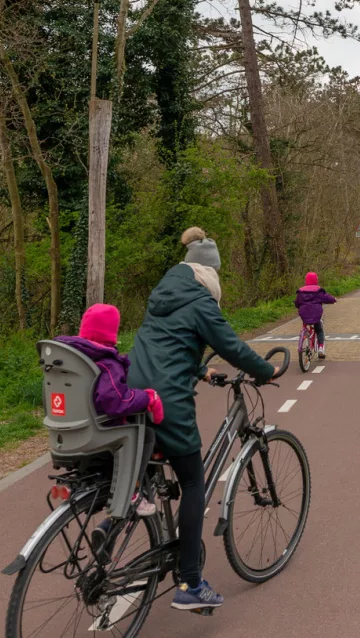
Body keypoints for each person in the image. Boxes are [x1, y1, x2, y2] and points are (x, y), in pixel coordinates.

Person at [127, 227, 276, 614]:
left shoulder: (162, 294)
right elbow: (231, 346)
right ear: (210, 274)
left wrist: (198, 370)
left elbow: (165, 345)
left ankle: (110, 529)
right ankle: (190, 582)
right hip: (169, 402)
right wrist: (266, 371)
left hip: (132, 391)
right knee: (194, 481)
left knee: (143, 477)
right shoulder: (201, 302)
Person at [56, 303, 163, 514]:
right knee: (146, 435)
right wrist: (148, 397)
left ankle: (77, 486)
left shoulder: (69, 358)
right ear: (112, 332)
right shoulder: (106, 363)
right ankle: (132, 491)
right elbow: (115, 401)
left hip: (68, 433)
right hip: (100, 433)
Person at [294, 271, 336, 360]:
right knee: (319, 329)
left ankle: (304, 334)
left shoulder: (301, 291)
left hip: (304, 313)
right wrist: (333, 300)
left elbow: (297, 303)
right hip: (316, 313)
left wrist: (299, 305)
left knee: (305, 323)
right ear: (316, 280)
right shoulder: (318, 290)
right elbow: (326, 298)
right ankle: (321, 348)